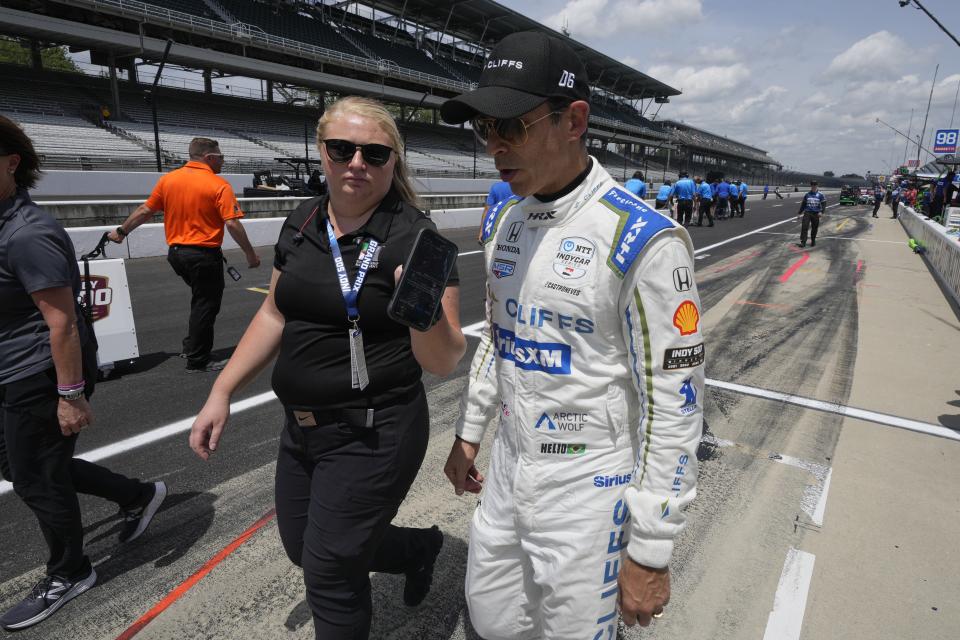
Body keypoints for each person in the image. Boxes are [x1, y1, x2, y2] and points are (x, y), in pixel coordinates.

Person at [439, 31, 703, 638]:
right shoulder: (505, 218)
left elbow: (675, 402)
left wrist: (652, 547)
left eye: (513, 127)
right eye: (485, 129)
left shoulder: (645, 239)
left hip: (593, 486)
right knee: (494, 621)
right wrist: (470, 432)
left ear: (574, 120)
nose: (496, 147)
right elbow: (499, 338)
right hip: (509, 468)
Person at [188, 97, 466, 640]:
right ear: (322, 152)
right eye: (342, 149)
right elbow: (274, 312)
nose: (356, 162)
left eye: (374, 152)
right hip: (303, 427)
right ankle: (416, 548)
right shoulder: (303, 220)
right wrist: (220, 390)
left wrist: (422, 306)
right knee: (303, 548)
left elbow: (443, 359)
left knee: (331, 570)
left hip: (376, 430)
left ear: (393, 160)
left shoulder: (417, 239)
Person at [0, 115, 166, 632]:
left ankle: (70, 570)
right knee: (25, 468)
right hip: (7, 369)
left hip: (38, 371)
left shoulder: (27, 234)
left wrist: (70, 394)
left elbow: (64, 321)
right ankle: (136, 495)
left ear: (11, 163)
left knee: (35, 476)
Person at [108, 138, 261, 373]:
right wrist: (250, 254)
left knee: (200, 299)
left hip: (177, 254)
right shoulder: (218, 184)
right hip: (203, 255)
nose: (222, 162)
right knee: (206, 304)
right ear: (209, 157)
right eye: (221, 157)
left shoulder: (168, 180)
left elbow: (145, 210)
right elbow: (232, 223)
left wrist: (121, 231)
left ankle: (192, 345)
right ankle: (198, 359)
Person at [797, 180, 826, 248]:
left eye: (815, 185)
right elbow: (803, 204)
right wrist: (799, 213)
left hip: (816, 213)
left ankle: (813, 240)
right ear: (811, 186)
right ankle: (803, 242)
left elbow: (824, 204)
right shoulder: (807, 194)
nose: (814, 186)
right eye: (812, 185)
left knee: (814, 228)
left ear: (817, 186)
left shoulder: (821, 195)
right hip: (807, 212)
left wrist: (821, 212)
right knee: (804, 227)